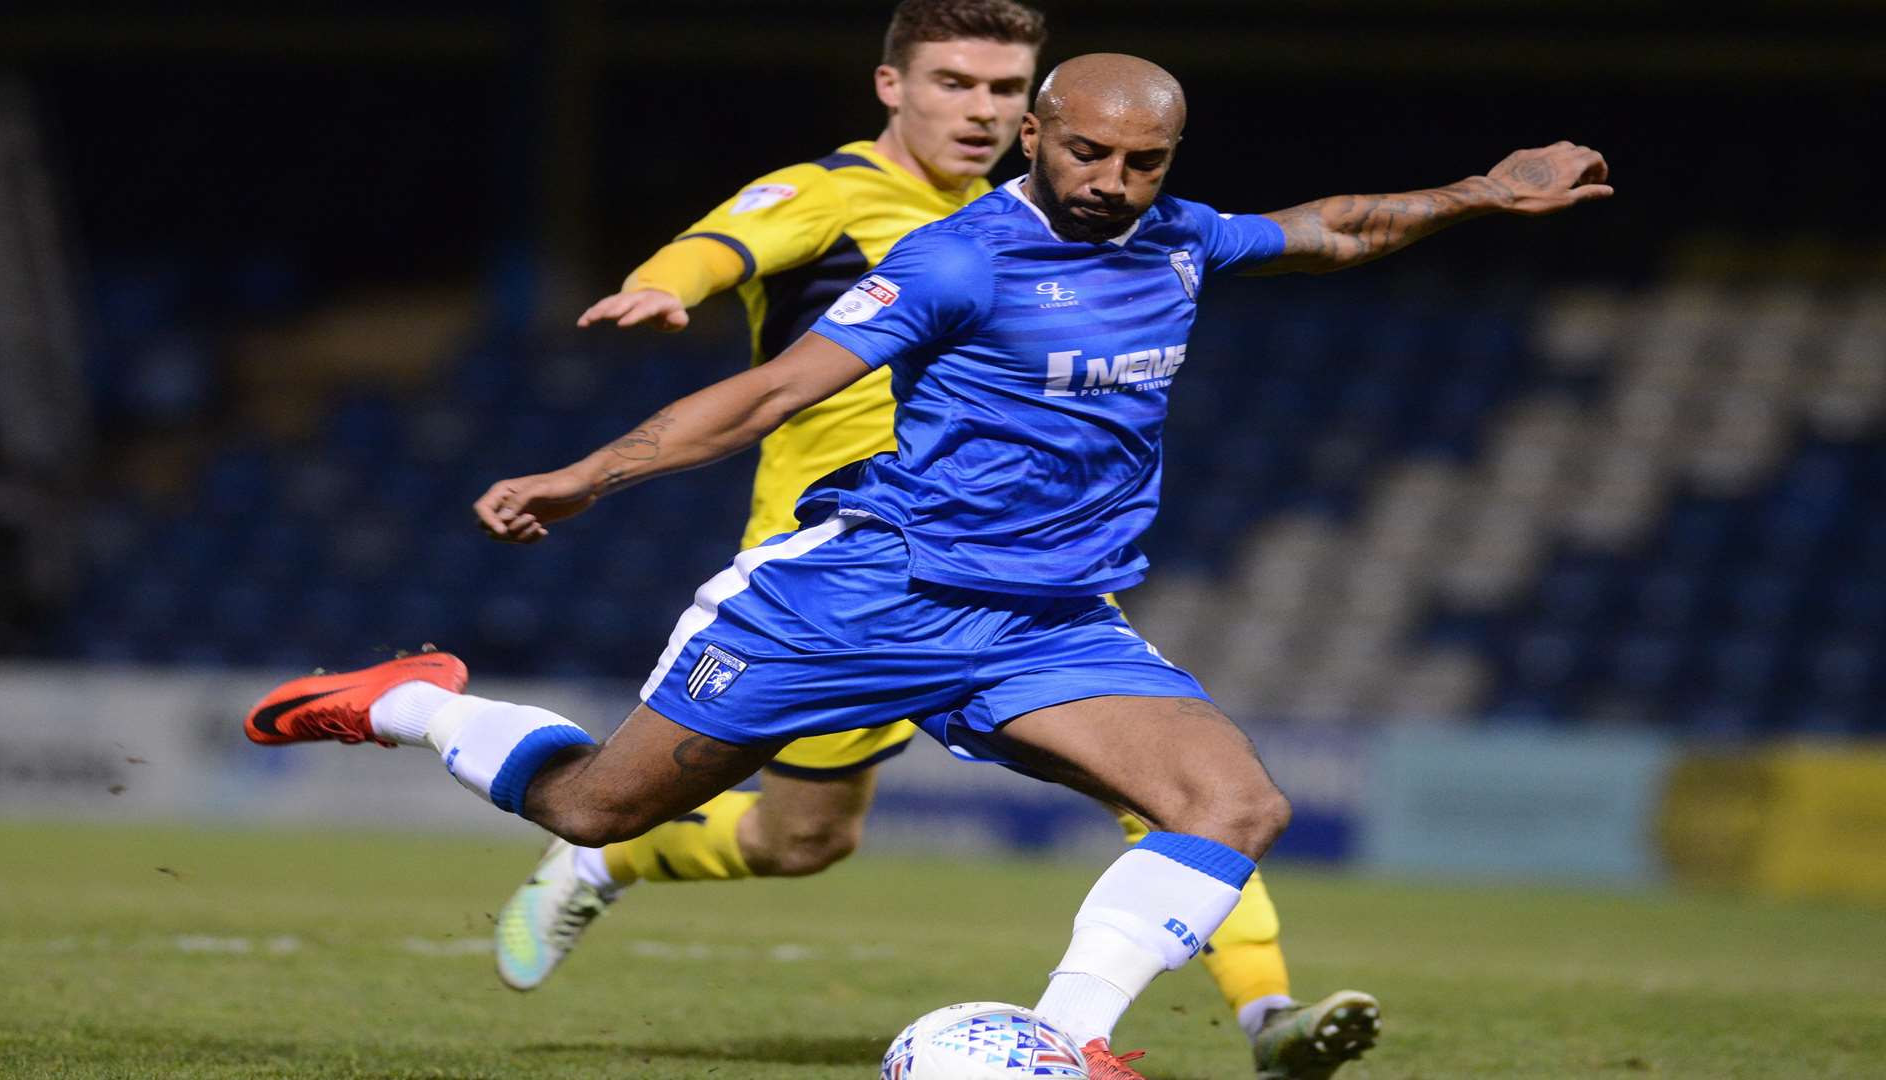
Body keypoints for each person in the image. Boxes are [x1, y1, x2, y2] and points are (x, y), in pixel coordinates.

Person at [244, 52, 1610, 1079]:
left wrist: (1480, 194)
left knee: (1231, 803)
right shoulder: (957, 258)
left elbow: (1336, 228)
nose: (1111, 185)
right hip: (858, 595)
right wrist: (588, 476)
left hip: (1048, 623)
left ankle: (1064, 1045)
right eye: (1085, 155)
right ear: (1035, 136)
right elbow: (774, 394)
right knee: (599, 810)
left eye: (1142, 165)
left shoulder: (1179, 241)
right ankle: (412, 700)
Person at [506, 3, 1376, 1075]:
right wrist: (657, 288)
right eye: (957, 84)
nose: (982, 109)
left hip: (1022, 579)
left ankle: (1245, 1015)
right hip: (843, 570)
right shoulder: (846, 203)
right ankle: (601, 859)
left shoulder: (1104, 215)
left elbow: (1304, 231)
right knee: (800, 841)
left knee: (1186, 792)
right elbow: (725, 249)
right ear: (893, 87)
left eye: (1005, 89)